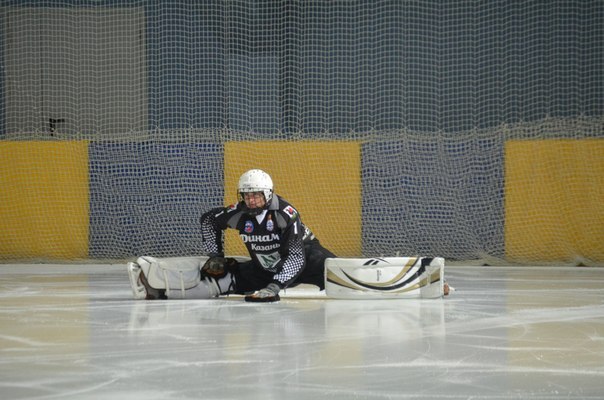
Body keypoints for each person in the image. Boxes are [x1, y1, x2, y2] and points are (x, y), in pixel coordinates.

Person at [128, 169, 336, 302]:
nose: (251, 201)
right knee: (222, 277)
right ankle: (156, 287)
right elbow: (209, 220)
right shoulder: (238, 212)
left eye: (256, 195)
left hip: (305, 259)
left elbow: (296, 257)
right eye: (246, 195)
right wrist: (215, 256)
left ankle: (365, 281)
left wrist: (274, 287)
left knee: (334, 268)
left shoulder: (285, 214)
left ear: (268, 194)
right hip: (266, 267)